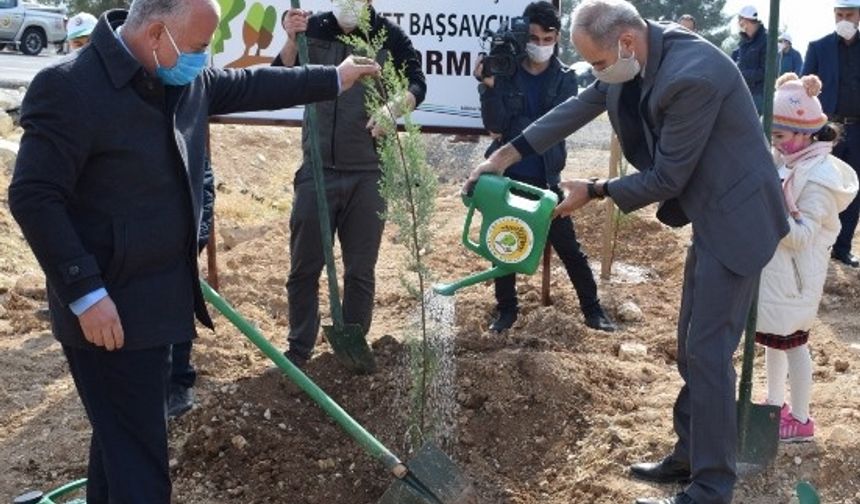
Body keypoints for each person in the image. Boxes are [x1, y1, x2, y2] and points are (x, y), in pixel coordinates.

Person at [7, 0, 378, 501]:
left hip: (158, 301)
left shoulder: (177, 78)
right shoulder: (71, 87)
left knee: (121, 443)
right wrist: (84, 291)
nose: (203, 60)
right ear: (159, 34)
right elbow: (33, 195)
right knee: (141, 464)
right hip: (108, 311)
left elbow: (251, 86)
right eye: (200, 47)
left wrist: (332, 78)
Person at [465, 1, 789, 503]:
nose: (596, 73)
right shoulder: (636, 56)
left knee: (707, 352)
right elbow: (577, 107)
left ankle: (711, 486)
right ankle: (691, 453)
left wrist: (593, 190)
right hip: (712, 213)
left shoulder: (692, 76)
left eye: (596, 63)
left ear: (626, 43)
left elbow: (667, 177)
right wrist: (505, 155)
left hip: (738, 219)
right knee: (692, 348)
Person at [273, 0, 426, 368]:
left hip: (368, 171)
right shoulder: (311, 29)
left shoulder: (389, 36)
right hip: (317, 168)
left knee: (360, 269)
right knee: (304, 266)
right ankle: (299, 349)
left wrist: (393, 109)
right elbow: (280, 77)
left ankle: (353, 346)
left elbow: (418, 84)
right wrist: (291, 40)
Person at [473, 1, 615, 333]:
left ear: (557, 38)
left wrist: (518, 123)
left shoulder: (564, 79)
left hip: (546, 181)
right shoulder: (505, 73)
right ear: (524, 36)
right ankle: (506, 312)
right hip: (508, 179)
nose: (540, 45)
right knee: (504, 246)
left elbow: (555, 126)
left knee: (569, 250)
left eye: (547, 39)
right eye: (534, 38)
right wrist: (490, 88)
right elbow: (496, 128)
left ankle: (593, 311)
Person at [757, 73, 858, 443]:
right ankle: (773, 402)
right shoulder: (791, 160)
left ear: (804, 134)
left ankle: (800, 418)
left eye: (780, 136)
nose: (775, 144)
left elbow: (800, 238)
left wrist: (768, 210)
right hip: (780, 276)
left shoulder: (818, 180)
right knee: (773, 341)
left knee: (795, 345)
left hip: (798, 279)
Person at [803, 0, 860, 267]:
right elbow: (804, 88)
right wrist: (808, 85)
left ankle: (842, 248)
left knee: (853, 190)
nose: (844, 19)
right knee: (821, 187)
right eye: (839, 14)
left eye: (849, 14)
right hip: (827, 130)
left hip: (858, 129)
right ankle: (816, 245)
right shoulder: (819, 47)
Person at [732, 5, 768, 114]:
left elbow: (766, 72)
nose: (740, 26)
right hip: (743, 92)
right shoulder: (744, 42)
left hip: (759, 96)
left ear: (748, 21)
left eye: (741, 22)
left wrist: (740, 74)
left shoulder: (766, 41)